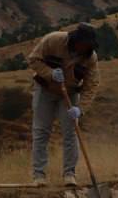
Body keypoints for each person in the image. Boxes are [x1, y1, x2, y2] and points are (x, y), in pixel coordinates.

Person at [27, 23, 100, 186]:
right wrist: (50, 73)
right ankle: (39, 175)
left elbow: (92, 84)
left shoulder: (91, 57)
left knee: (71, 133)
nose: (85, 47)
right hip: (45, 89)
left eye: (89, 45)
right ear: (76, 39)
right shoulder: (53, 40)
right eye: (84, 43)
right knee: (41, 132)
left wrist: (80, 109)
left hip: (70, 93)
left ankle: (69, 175)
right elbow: (33, 59)